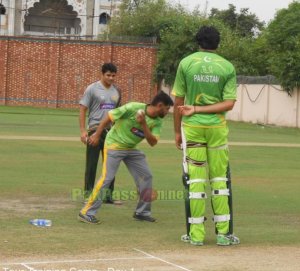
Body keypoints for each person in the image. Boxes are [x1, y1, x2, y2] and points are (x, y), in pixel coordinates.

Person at [172, 25, 240, 246]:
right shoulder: (227, 66)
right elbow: (229, 103)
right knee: (220, 180)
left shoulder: (187, 63)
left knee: (196, 180)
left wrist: (176, 131)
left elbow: (178, 102)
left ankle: (196, 236)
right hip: (217, 128)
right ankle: (223, 235)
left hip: (191, 127)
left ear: (198, 42)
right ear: (218, 43)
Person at [78, 91, 174, 224]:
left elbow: (153, 142)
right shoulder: (133, 107)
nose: (168, 112)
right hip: (114, 145)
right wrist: (97, 135)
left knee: (146, 176)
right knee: (107, 178)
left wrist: (144, 124)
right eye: (167, 108)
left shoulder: (157, 121)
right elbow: (109, 117)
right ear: (160, 105)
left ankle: (142, 212)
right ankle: (86, 212)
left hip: (131, 148)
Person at [79, 63, 121, 204]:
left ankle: (108, 196)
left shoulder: (116, 91)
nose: (111, 78)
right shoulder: (92, 89)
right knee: (91, 165)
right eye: (108, 75)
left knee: (110, 165)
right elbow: (83, 109)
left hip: (111, 132)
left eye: (113, 75)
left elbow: (117, 113)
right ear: (102, 74)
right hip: (94, 130)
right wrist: (83, 131)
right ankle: (88, 195)